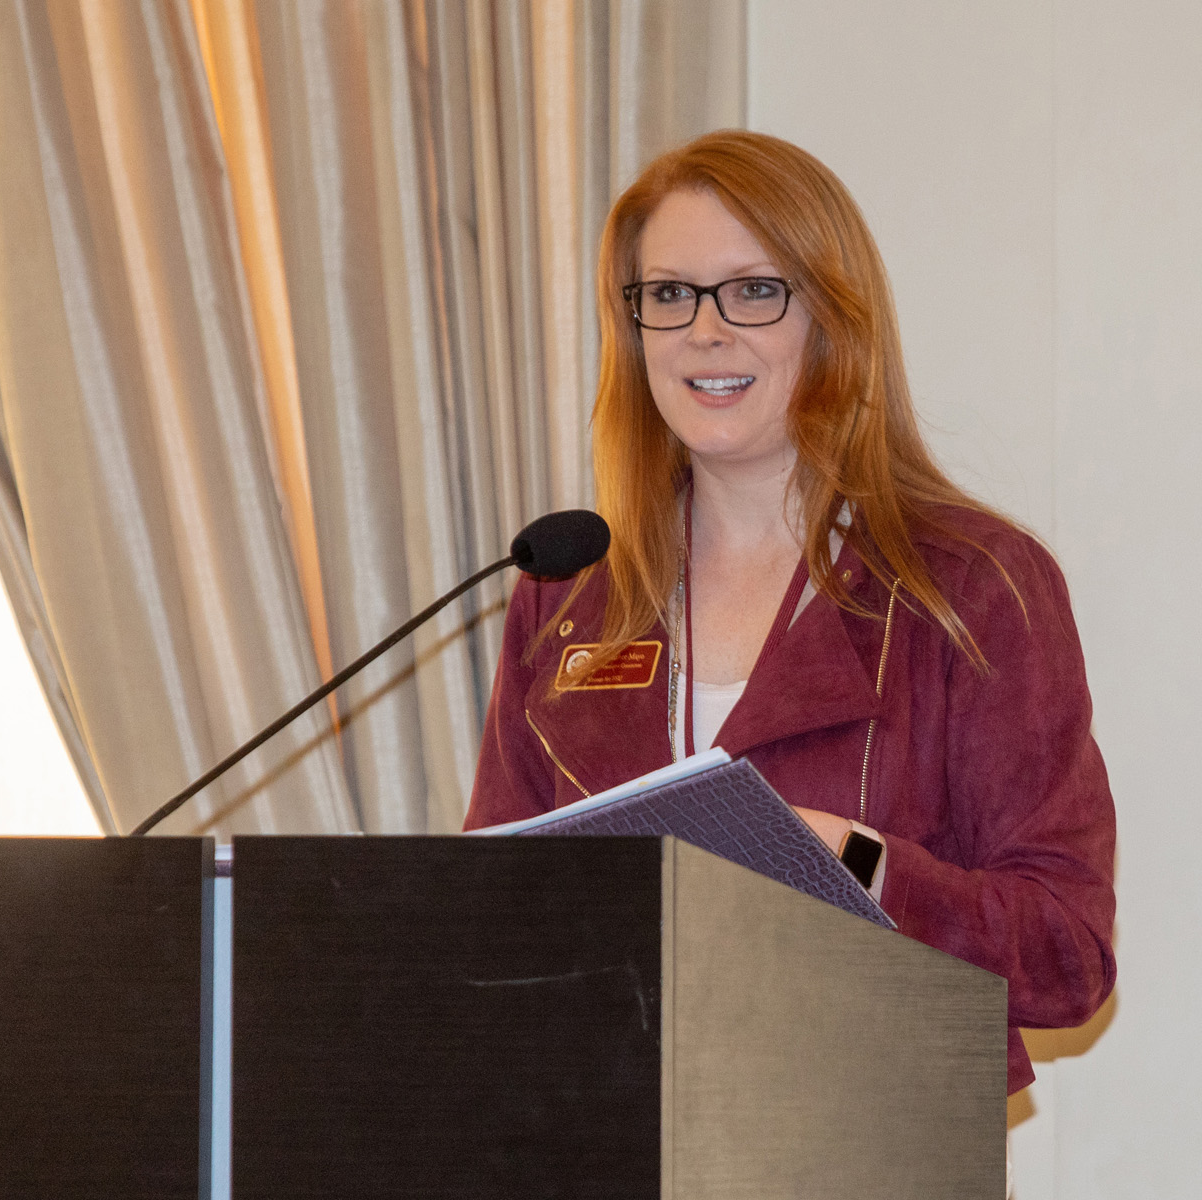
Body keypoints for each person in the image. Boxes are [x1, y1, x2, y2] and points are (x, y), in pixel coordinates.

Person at [464, 130, 1115, 1097]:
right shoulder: (567, 595)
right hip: (596, 1130)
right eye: (670, 295)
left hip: (865, 1135)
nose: (705, 331)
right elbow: (480, 924)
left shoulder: (973, 589)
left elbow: (1068, 953)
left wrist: (858, 863)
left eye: (755, 290)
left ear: (834, 320)